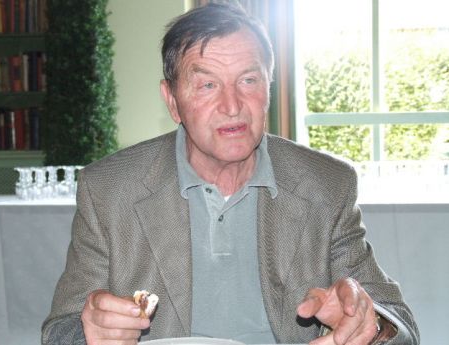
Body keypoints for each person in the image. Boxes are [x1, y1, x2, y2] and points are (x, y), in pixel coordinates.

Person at [42, 3, 419, 345]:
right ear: (172, 101)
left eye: (248, 80)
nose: (232, 105)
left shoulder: (327, 184)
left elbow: (402, 327)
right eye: (207, 84)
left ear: (268, 87)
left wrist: (370, 326)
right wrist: (87, 332)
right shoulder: (109, 189)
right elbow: (59, 330)